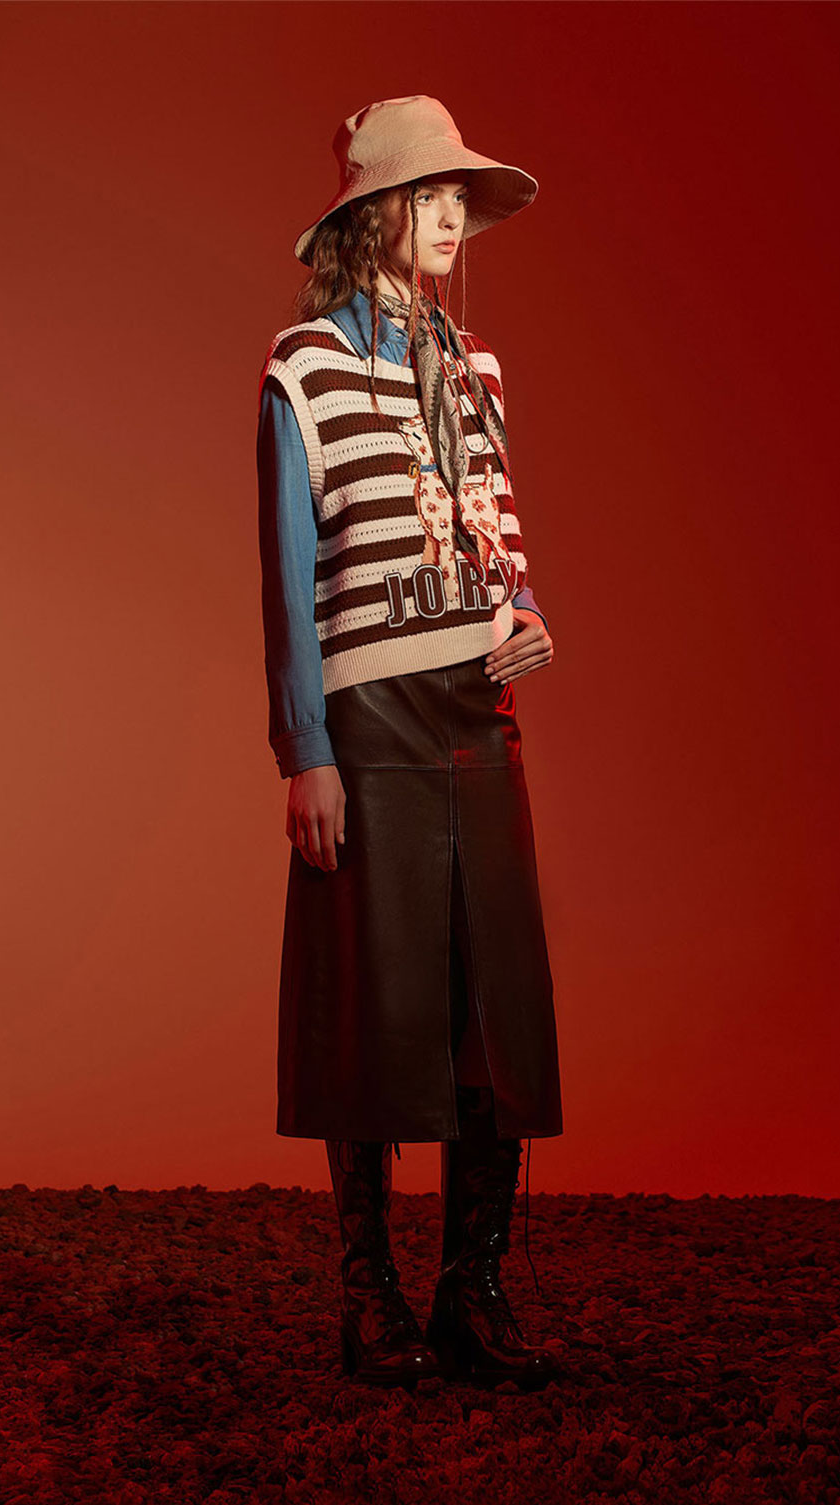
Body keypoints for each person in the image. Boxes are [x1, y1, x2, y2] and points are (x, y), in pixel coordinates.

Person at [256, 95, 564, 1390]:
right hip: (370, 719)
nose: (449, 216)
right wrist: (305, 750)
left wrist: (525, 608)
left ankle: (468, 1291)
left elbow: (497, 527)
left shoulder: (476, 366)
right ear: (374, 211)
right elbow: (288, 575)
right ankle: (367, 1295)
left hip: (477, 714)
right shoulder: (304, 366)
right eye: (427, 194)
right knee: (373, 1004)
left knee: (494, 1002)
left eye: (456, 197)